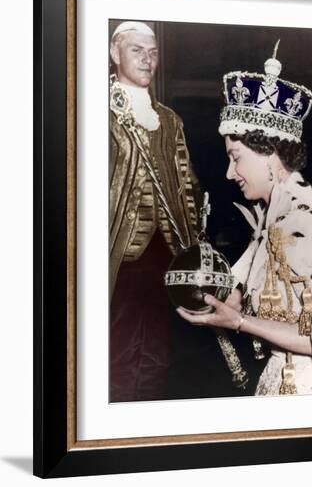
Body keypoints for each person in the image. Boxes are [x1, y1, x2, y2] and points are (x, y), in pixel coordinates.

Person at [177, 43, 312, 395]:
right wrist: (234, 301)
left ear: (269, 155)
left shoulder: (306, 223)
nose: (230, 173)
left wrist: (240, 322)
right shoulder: (274, 219)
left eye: (236, 157)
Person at [109, 21, 201, 402]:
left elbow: (186, 185)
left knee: (157, 355)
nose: (147, 60)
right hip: (117, 253)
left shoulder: (169, 119)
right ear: (114, 54)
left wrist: (193, 244)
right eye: (136, 51)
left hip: (165, 253)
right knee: (116, 349)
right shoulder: (90, 110)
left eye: (153, 52)